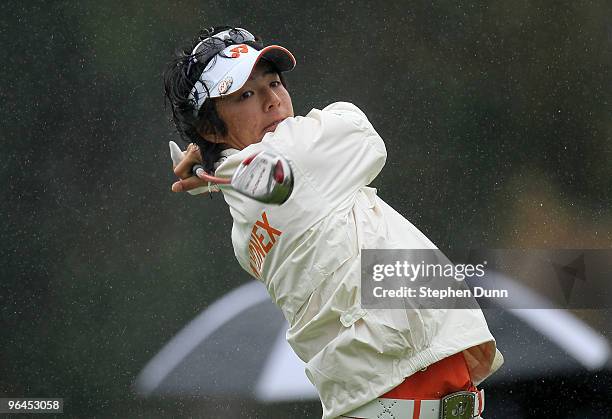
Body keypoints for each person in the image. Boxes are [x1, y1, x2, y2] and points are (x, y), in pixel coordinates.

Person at [164, 26, 503, 419]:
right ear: (209, 127)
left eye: (274, 83)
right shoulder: (297, 156)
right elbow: (362, 132)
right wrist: (212, 162)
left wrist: (212, 158)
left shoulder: (245, 218)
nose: (273, 101)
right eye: (246, 94)